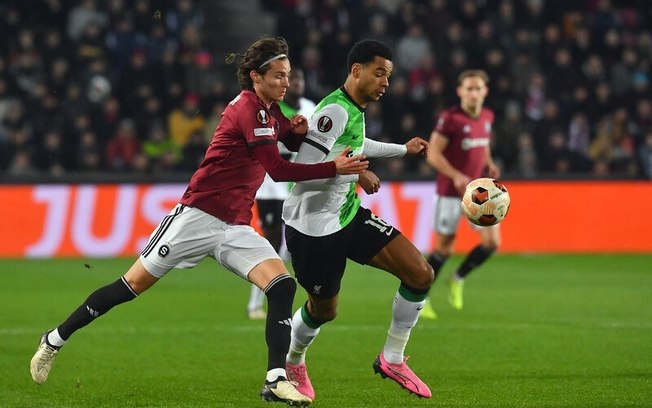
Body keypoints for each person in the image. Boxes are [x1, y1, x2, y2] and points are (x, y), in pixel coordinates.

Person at [29, 36, 368, 407]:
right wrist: (334, 166)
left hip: (235, 226)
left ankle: (275, 379)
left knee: (282, 286)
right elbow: (278, 168)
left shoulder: (268, 109)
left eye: (288, 76)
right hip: (196, 217)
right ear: (256, 77)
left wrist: (296, 129)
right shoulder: (248, 110)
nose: (286, 83)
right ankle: (54, 339)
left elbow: (284, 132)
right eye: (278, 76)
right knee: (130, 286)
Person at [281, 39, 434, 400]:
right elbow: (300, 169)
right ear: (356, 70)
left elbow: (358, 145)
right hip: (313, 230)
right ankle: (292, 360)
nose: (385, 82)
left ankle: (392, 358)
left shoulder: (353, 109)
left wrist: (402, 149)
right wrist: (351, 173)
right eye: (379, 72)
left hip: (347, 215)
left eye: (389, 76)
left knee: (420, 274)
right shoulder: (333, 111)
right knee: (324, 311)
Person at [419, 69, 500, 320]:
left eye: (478, 89)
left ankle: (458, 278)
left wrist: (489, 162)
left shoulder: (487, 116)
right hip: (450, 194)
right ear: (460, 91)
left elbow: (482, 142)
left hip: (479, 193)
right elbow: (433, 154)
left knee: (492, 243)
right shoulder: (451, 119)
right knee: (443, 250)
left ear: (485, 92)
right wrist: (454, 175)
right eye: (469, 89)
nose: (473, 93)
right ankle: (421, 296)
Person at [248, 67, 317, 320]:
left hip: (297, 187)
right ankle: (255, 303)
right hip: (270, 186)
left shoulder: (312, 107)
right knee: (271, 244)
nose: (295, 83)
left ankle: (286, 295)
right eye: (291, 78)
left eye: (299, 78)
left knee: (291, 248)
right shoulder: (273, 110)